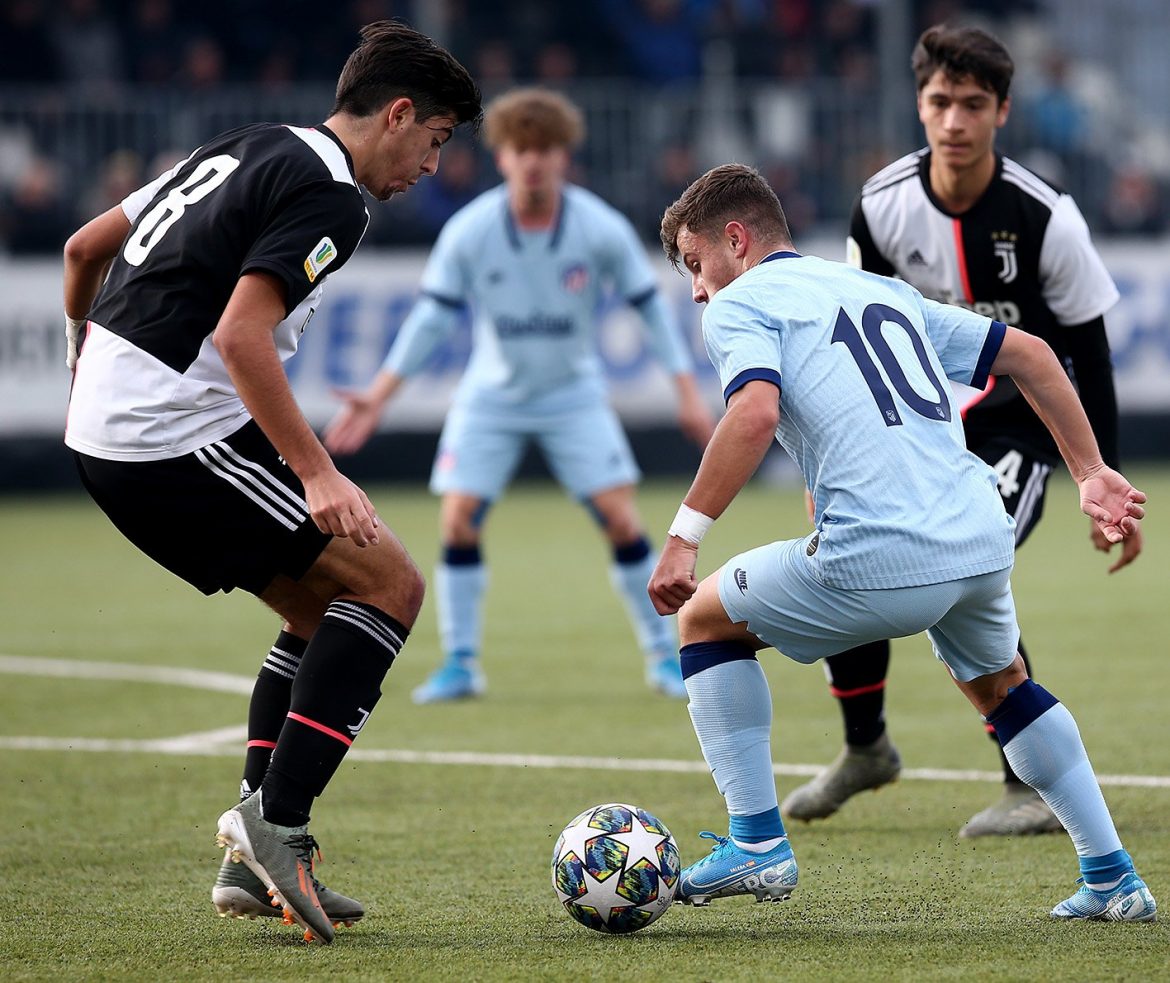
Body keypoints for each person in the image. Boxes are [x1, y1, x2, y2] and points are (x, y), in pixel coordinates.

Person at [62, 21, 481, 944]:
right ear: (398, 113)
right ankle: (273, 822)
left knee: (314, 607)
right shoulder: (336, 194)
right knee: (390, 585)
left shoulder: (246, 144)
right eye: (438, 139)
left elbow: (84, 248)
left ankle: (249, 864)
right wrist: (318, 470)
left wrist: (78, 355)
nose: (432, 164)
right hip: (166, 435)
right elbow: (241, 336)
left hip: (115, 426)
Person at [648, 162, 1155, 922]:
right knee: (1002, 686)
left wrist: (684, 537)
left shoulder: (741, 303)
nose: (696, 289)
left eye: (695, 265)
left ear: (736, 238)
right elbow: (1033, 355)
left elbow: (753, 415)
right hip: (979, 538)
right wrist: (1090, 472)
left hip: (881, 553)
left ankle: (756, 843)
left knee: (701, 621)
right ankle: (1114, 876)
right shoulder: (880, 290)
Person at [780, 24, 1138, 838]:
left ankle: (1028, 782)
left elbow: (1089, 353)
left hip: (1023, 435)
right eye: (940, 102)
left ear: (1003, 111)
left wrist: (1102, 477)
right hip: (916, 432)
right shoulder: (880, 205)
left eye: (973, 104)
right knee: (855, 561)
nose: (954, 120)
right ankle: (866, 747)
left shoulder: (1048, 217)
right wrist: (822, 470)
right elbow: (847, 340)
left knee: (960, 562)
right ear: (919, 104)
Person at [324, 87, 715, 703]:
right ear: (502, 158)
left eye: (547, 150)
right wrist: (378, 395)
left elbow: (650, 311)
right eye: (520, 150)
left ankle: (663, 657)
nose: (534, 162)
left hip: (573, 394)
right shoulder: (472, 231)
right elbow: (431, 320)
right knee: (457, 520)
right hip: (493, 397)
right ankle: (461, 663)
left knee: (621, 519)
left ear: (565, 157)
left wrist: (688, 393)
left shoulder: (599, 227)